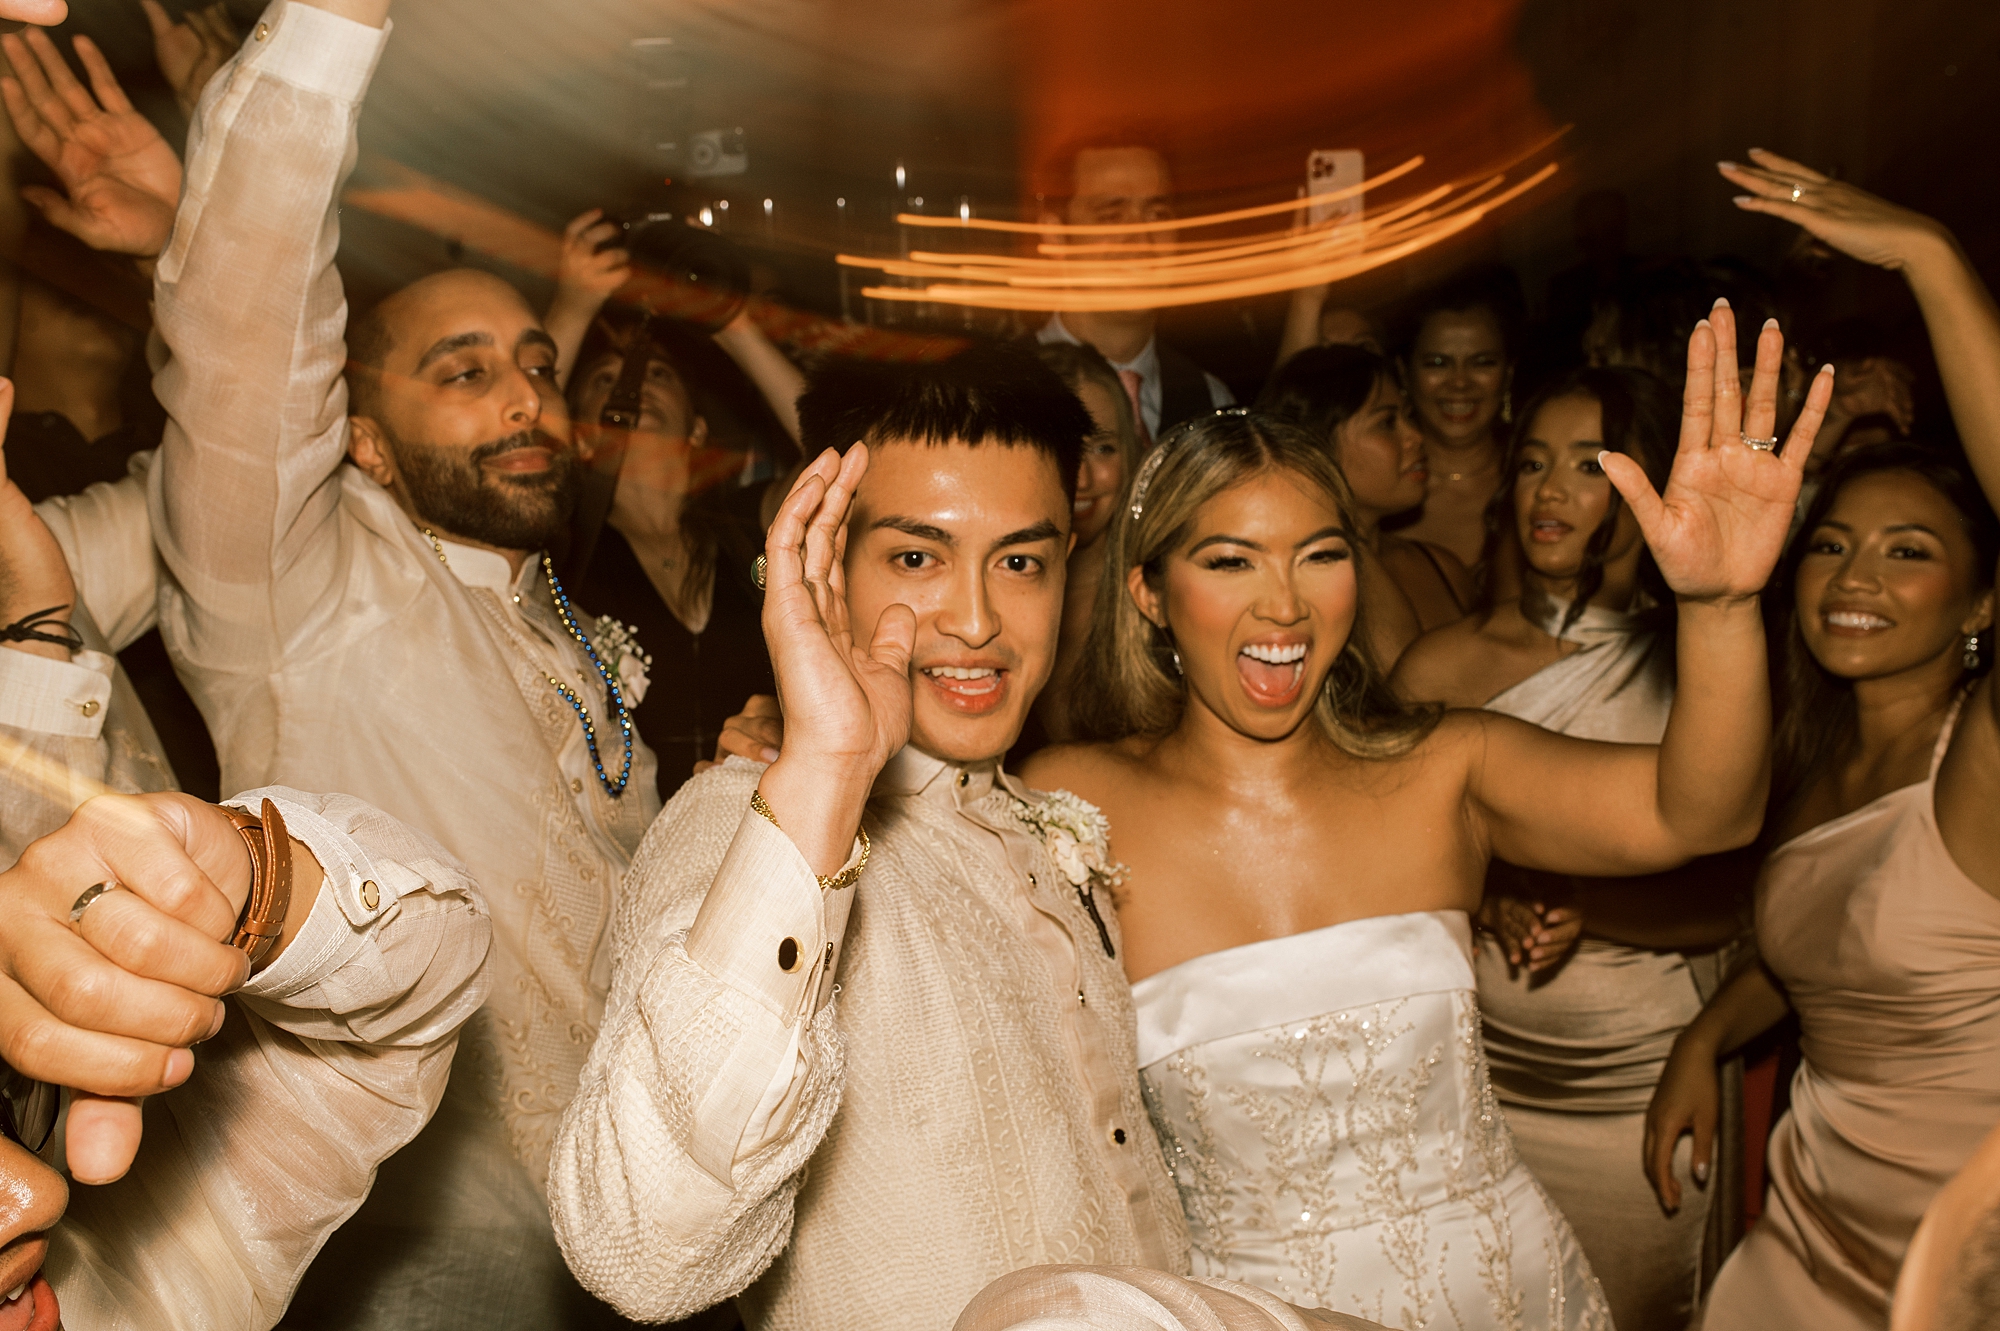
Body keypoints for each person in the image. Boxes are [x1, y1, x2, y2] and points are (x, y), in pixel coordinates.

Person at [2, 5, 663, 1324]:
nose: (529, 396)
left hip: (635, 1238)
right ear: (360, 437)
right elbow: (259, 354)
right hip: (419, 1256)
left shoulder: (570, 622)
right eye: (465, 372)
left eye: (538, 363)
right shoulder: (298, 579)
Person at [1023, 302, 1834, 1327]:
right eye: (1229, 560)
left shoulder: (1446, 765)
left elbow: (1703, 811)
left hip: (1505, 1292)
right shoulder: (1069, 802)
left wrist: (1718, 606)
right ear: (1148, 593)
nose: (1283, 604)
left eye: (1318, 554)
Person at [549, 341, 1356, 1331]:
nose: (976, 618)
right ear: (822, 562)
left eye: (1019, 561)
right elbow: (639, 1251)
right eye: (917, 556)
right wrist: (825, 778)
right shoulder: (744, 829)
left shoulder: (1039, 827)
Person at [0, 375, 493, 1330]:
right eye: (464, 371)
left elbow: (428, 975)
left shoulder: (142, 1283)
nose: (33, 1202)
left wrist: (251, 884)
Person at [1645, 151, 2000, 1331]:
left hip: (1951, 1252)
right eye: (1833, 543)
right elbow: (1820, 952)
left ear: (1980, 603)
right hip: (1800, 1227)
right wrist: (1707, 1029)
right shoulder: (1805, 748)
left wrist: (1932, 262)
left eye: (1908, 552)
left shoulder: (1981, 765)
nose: (1854, 578)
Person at [1390, 365, 1756, 1330]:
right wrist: (1483, 894)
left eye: (1588, 465)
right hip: (1476, 1082)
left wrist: (1594, 908)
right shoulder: (1441, 664)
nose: (1550, 491)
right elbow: (1375, 872)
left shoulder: (1705, 674)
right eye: (1532, 464)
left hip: (1637, 1083)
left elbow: (1753, 898)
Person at [562, 308, 795, 795]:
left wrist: (734, 322)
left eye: (659, 374)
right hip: (624, 851)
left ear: (697, 429)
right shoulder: (561, 551)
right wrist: (575, 299)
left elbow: (851, 461)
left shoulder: (750, 529)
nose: (634, 384)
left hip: (764, 822)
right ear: (578, 435)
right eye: (607, 378)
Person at [1261, 344, 1471, 669]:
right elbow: (1403, 691)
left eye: (1409, 417)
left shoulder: (1441, 567)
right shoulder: (1296, 589)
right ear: (1319, 444)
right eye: (1387, 423)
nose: (1415, 436)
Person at [1034, 133, 1234, 444]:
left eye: (1157, 215)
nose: (1142, 243)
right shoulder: (1006, 393)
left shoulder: (1211, 402)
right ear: (1055, 238)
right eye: (1111, 217)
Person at [1028, 340, 1142, 746]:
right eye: (1059, 446)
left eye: (1103, 448)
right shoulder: (978, 605)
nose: (1082, 478)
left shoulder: (1159, 602)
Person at [1385, 268, 1523, 569]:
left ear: (1508, 375)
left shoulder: (1535, 482)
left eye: (1482, 363)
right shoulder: (1379, 492)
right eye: (1437, 363)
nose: (1460, 382)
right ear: (1404, 374)